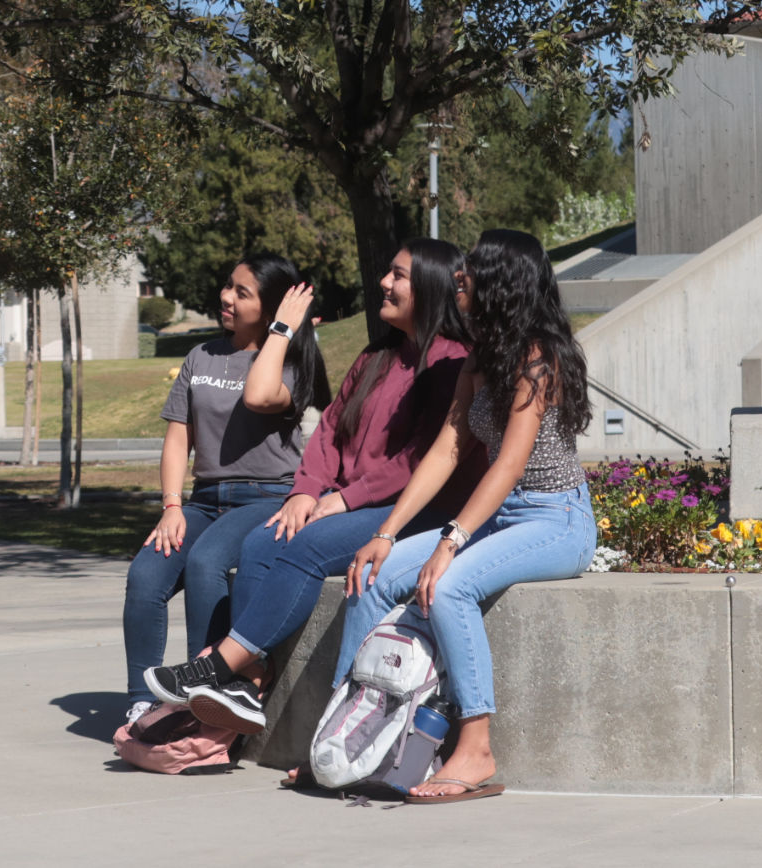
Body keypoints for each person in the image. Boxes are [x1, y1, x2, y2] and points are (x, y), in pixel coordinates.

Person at [144, 238, 485, 735]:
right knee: (265, 539)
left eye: (398, 275)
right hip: (343, 501)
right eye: (387, 272)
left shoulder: (450, 361)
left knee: (303, 548)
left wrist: (345, 498)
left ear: (431, 287)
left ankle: (220, 667)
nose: (384, 283)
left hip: (410, 512)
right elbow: (329, 429)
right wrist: (306, 489)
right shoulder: (378, 355)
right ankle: (250, 678)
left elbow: (421, 458)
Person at [337, 228, 597, 804]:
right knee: (370, 576)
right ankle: (344, 737)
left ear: (503, 282)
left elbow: (506, 466)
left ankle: (476, 747)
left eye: (474, 268)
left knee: (448, 587)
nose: (461, 275)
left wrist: (450, 541)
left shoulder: (539, 359)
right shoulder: (482, 355)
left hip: (557, 521)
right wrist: (385, 533)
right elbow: (447, 449)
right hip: (505, 518)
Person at [123, 254, 330, 725]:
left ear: (272, 306)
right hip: (203, 500)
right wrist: (172, 505)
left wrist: (282, 331)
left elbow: (261, 397)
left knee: (206, 562)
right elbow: (179, 435)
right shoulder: (201, 355)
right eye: (228, 287)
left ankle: (205, 689)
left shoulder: (293, 364)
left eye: (242, 292)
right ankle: (141, 699)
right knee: (145, 576)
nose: (226, 297)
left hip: (267, 497)